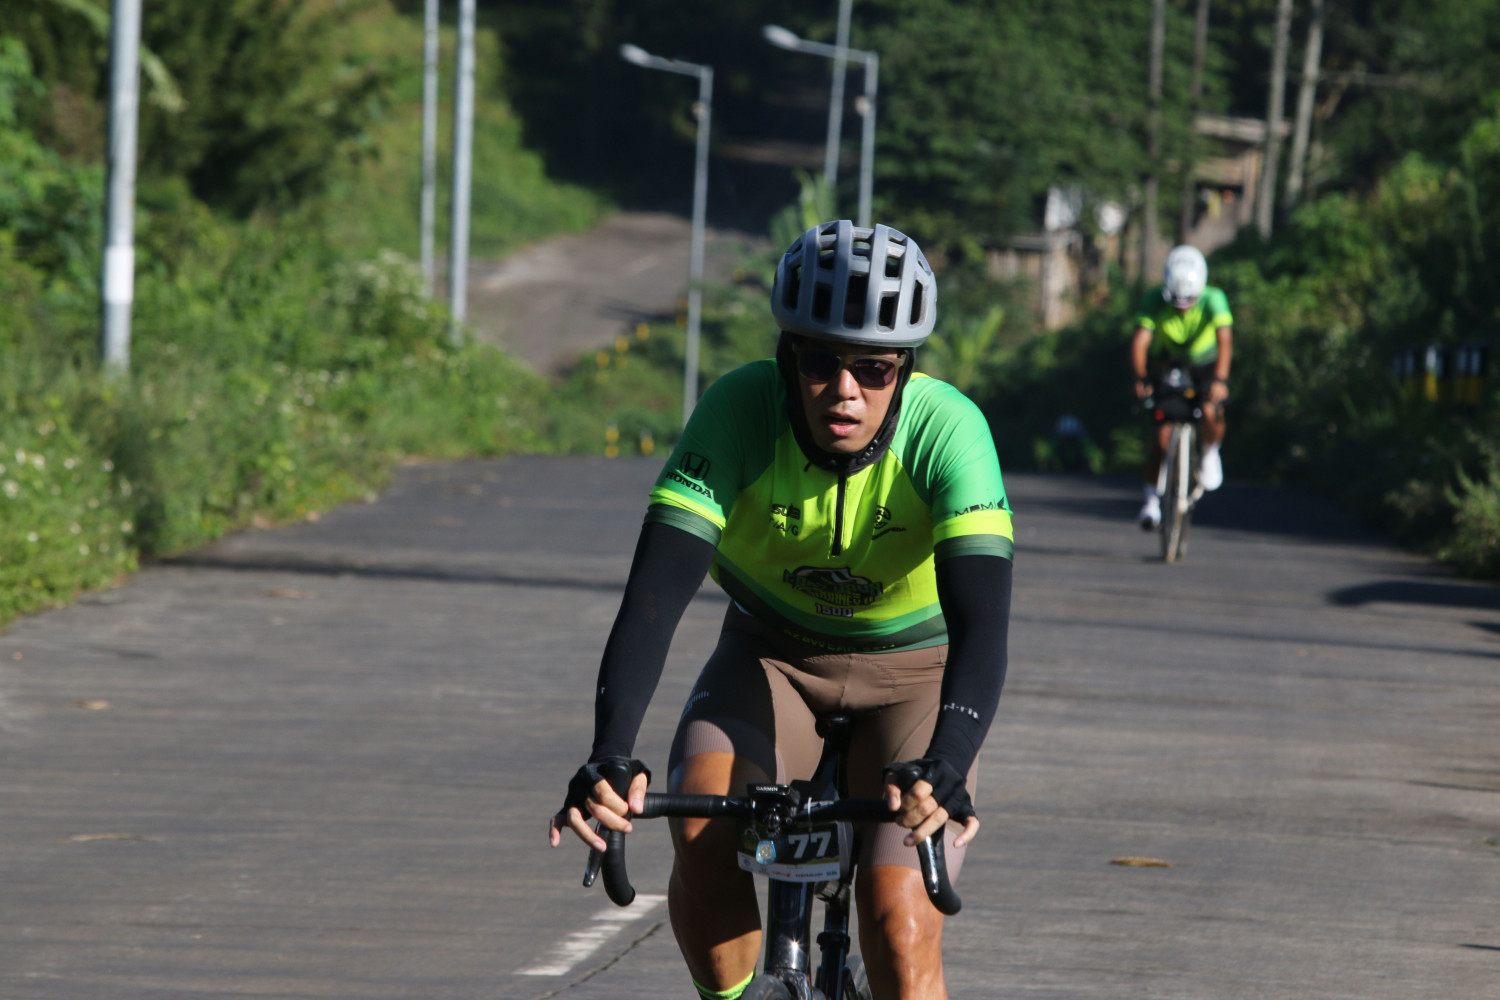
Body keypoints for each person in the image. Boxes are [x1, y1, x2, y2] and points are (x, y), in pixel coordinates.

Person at [548, 220, 1014, 1000]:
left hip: (915, 674)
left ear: (904, 370)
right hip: (771, 657)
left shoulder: (951, 430)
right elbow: (654, 599)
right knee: (699, 829)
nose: (845, 390)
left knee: (898, 921)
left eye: (873, 368)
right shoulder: (739, 410)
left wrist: (950, 759)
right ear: (787, 356)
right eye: (821, 362)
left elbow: (984, 626)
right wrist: (610, 752)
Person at [1130, 244, 1234, 529]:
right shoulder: (1153, 299)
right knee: (1161, 436)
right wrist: (1140, 377)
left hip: (1207, 365)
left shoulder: (1214, 298)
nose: (1182, 307)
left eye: (1188, 301)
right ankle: (1151, 501)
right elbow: (1140, 340)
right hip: (1172, 365)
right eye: (1175, 302)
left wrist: (1220, 379)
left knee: (1212, 410)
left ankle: (1210, 452)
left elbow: (1225, 340)